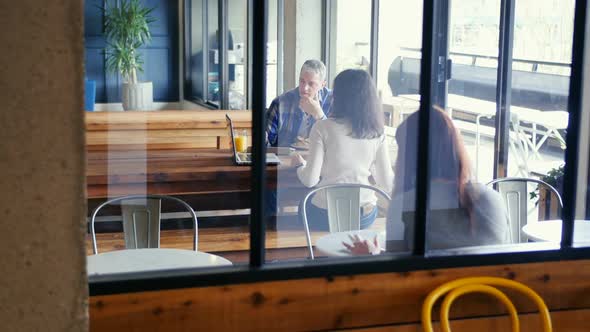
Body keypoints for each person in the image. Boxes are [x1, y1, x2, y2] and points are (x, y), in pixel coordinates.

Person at [343, 107, 511, 254]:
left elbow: (398, 271)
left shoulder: (404, 205)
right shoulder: (491, 199)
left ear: (409, 157)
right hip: (491, 290)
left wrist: (374, 254)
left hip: (433, 291)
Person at [293, 69, 394, 230]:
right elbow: (387, 183)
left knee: (302, 206)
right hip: (364, 216)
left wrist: (299, 165)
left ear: (338, 96)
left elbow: (310, 180)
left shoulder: (322, 127)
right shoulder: (377, 132)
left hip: (324, 215)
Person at [266, 59, 332, 147]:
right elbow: (267, 141)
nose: (304, 88)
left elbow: (336, 142)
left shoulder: (333, 101)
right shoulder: (280, 103)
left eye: (311, 84)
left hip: (322, 159)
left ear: (323, 85)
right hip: (287, 158)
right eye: (302, 81)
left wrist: (319, 114)